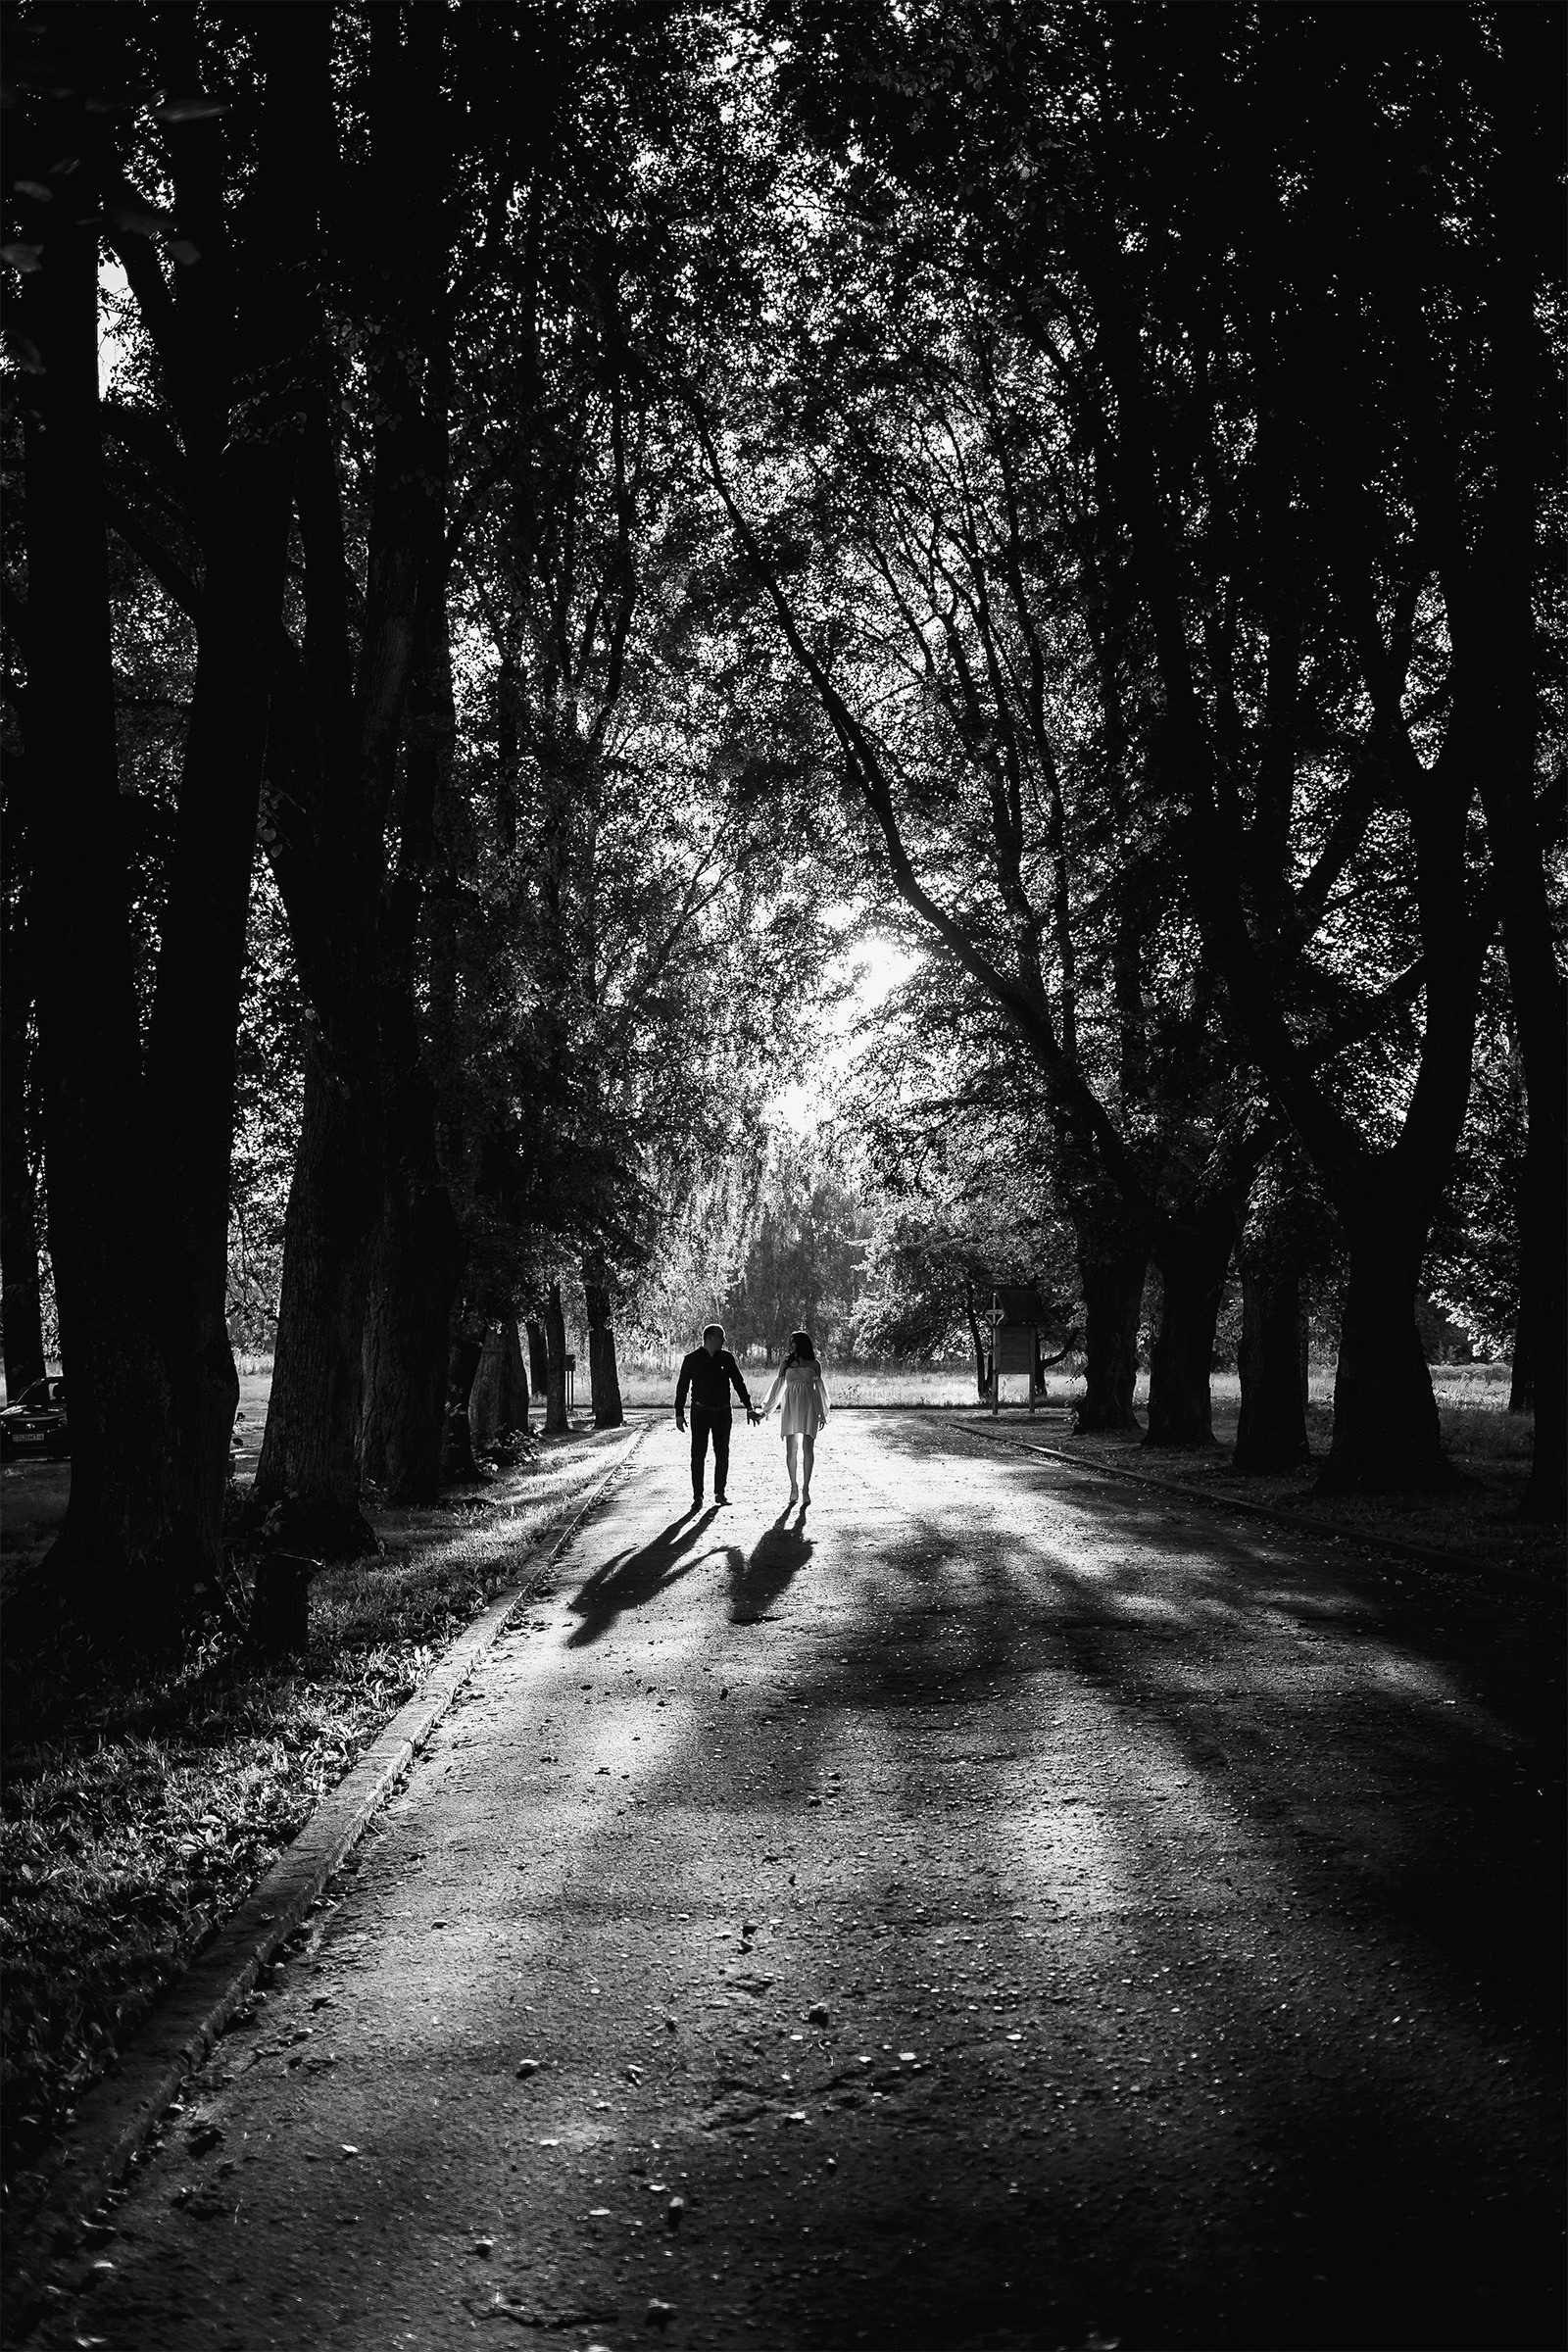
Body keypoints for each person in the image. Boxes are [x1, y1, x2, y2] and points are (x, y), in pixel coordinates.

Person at [674, 1323, 760, 1510]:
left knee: (722, 1452)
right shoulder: (692, 1359)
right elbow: (682, 1387)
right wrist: (679, 1413)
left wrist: (749, 1406)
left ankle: (719, 1492)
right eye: (721, 1336)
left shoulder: (726, 1358)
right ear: (710, 1337)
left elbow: (738, 1382)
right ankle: (698, 1496)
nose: (724, 1340)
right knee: (698, 1453)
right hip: (700, 1411)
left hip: (722, 1412)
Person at [760, 1329, 830, 1506]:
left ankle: (806, 1488)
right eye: (789, 1342)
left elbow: (820, 1392)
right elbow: (777, 1389)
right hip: (790, 1407)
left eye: (793, 1342)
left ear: (801, 1344)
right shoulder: (786, 1364)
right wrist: (766, 1410)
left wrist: (822, 1413)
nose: (790, 1345)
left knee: (808, 1448)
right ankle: (793, 1486)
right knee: (791, 1449)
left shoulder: (815, 1365)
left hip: (809, 1407)